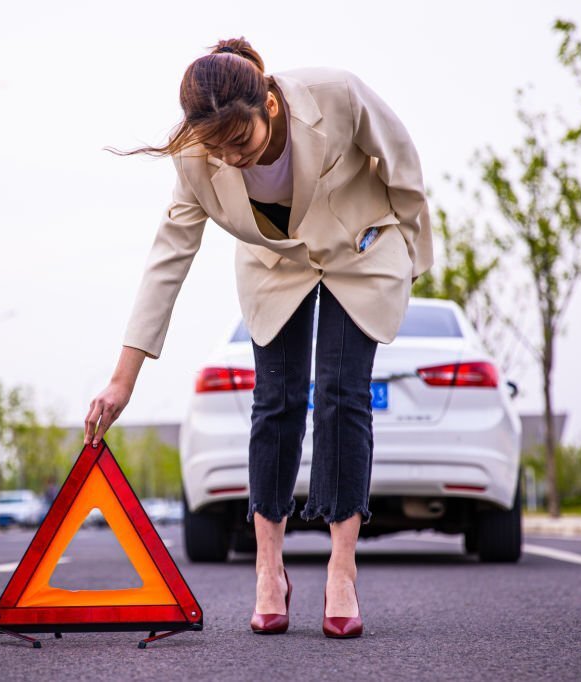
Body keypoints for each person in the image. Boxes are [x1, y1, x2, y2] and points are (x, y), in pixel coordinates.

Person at [85, 38, 432, 639]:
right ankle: (269, 570)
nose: (232, 160)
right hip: (275, 266)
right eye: (216, 150)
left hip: (360, 249)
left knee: (342, 397)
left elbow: (401, 165)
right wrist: (123, 379)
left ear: (269, 104)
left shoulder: (337, 95)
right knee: (275, 401)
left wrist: (413, 259)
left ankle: (341, 569)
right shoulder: (196, 156)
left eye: (239, 142)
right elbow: (169, 257)